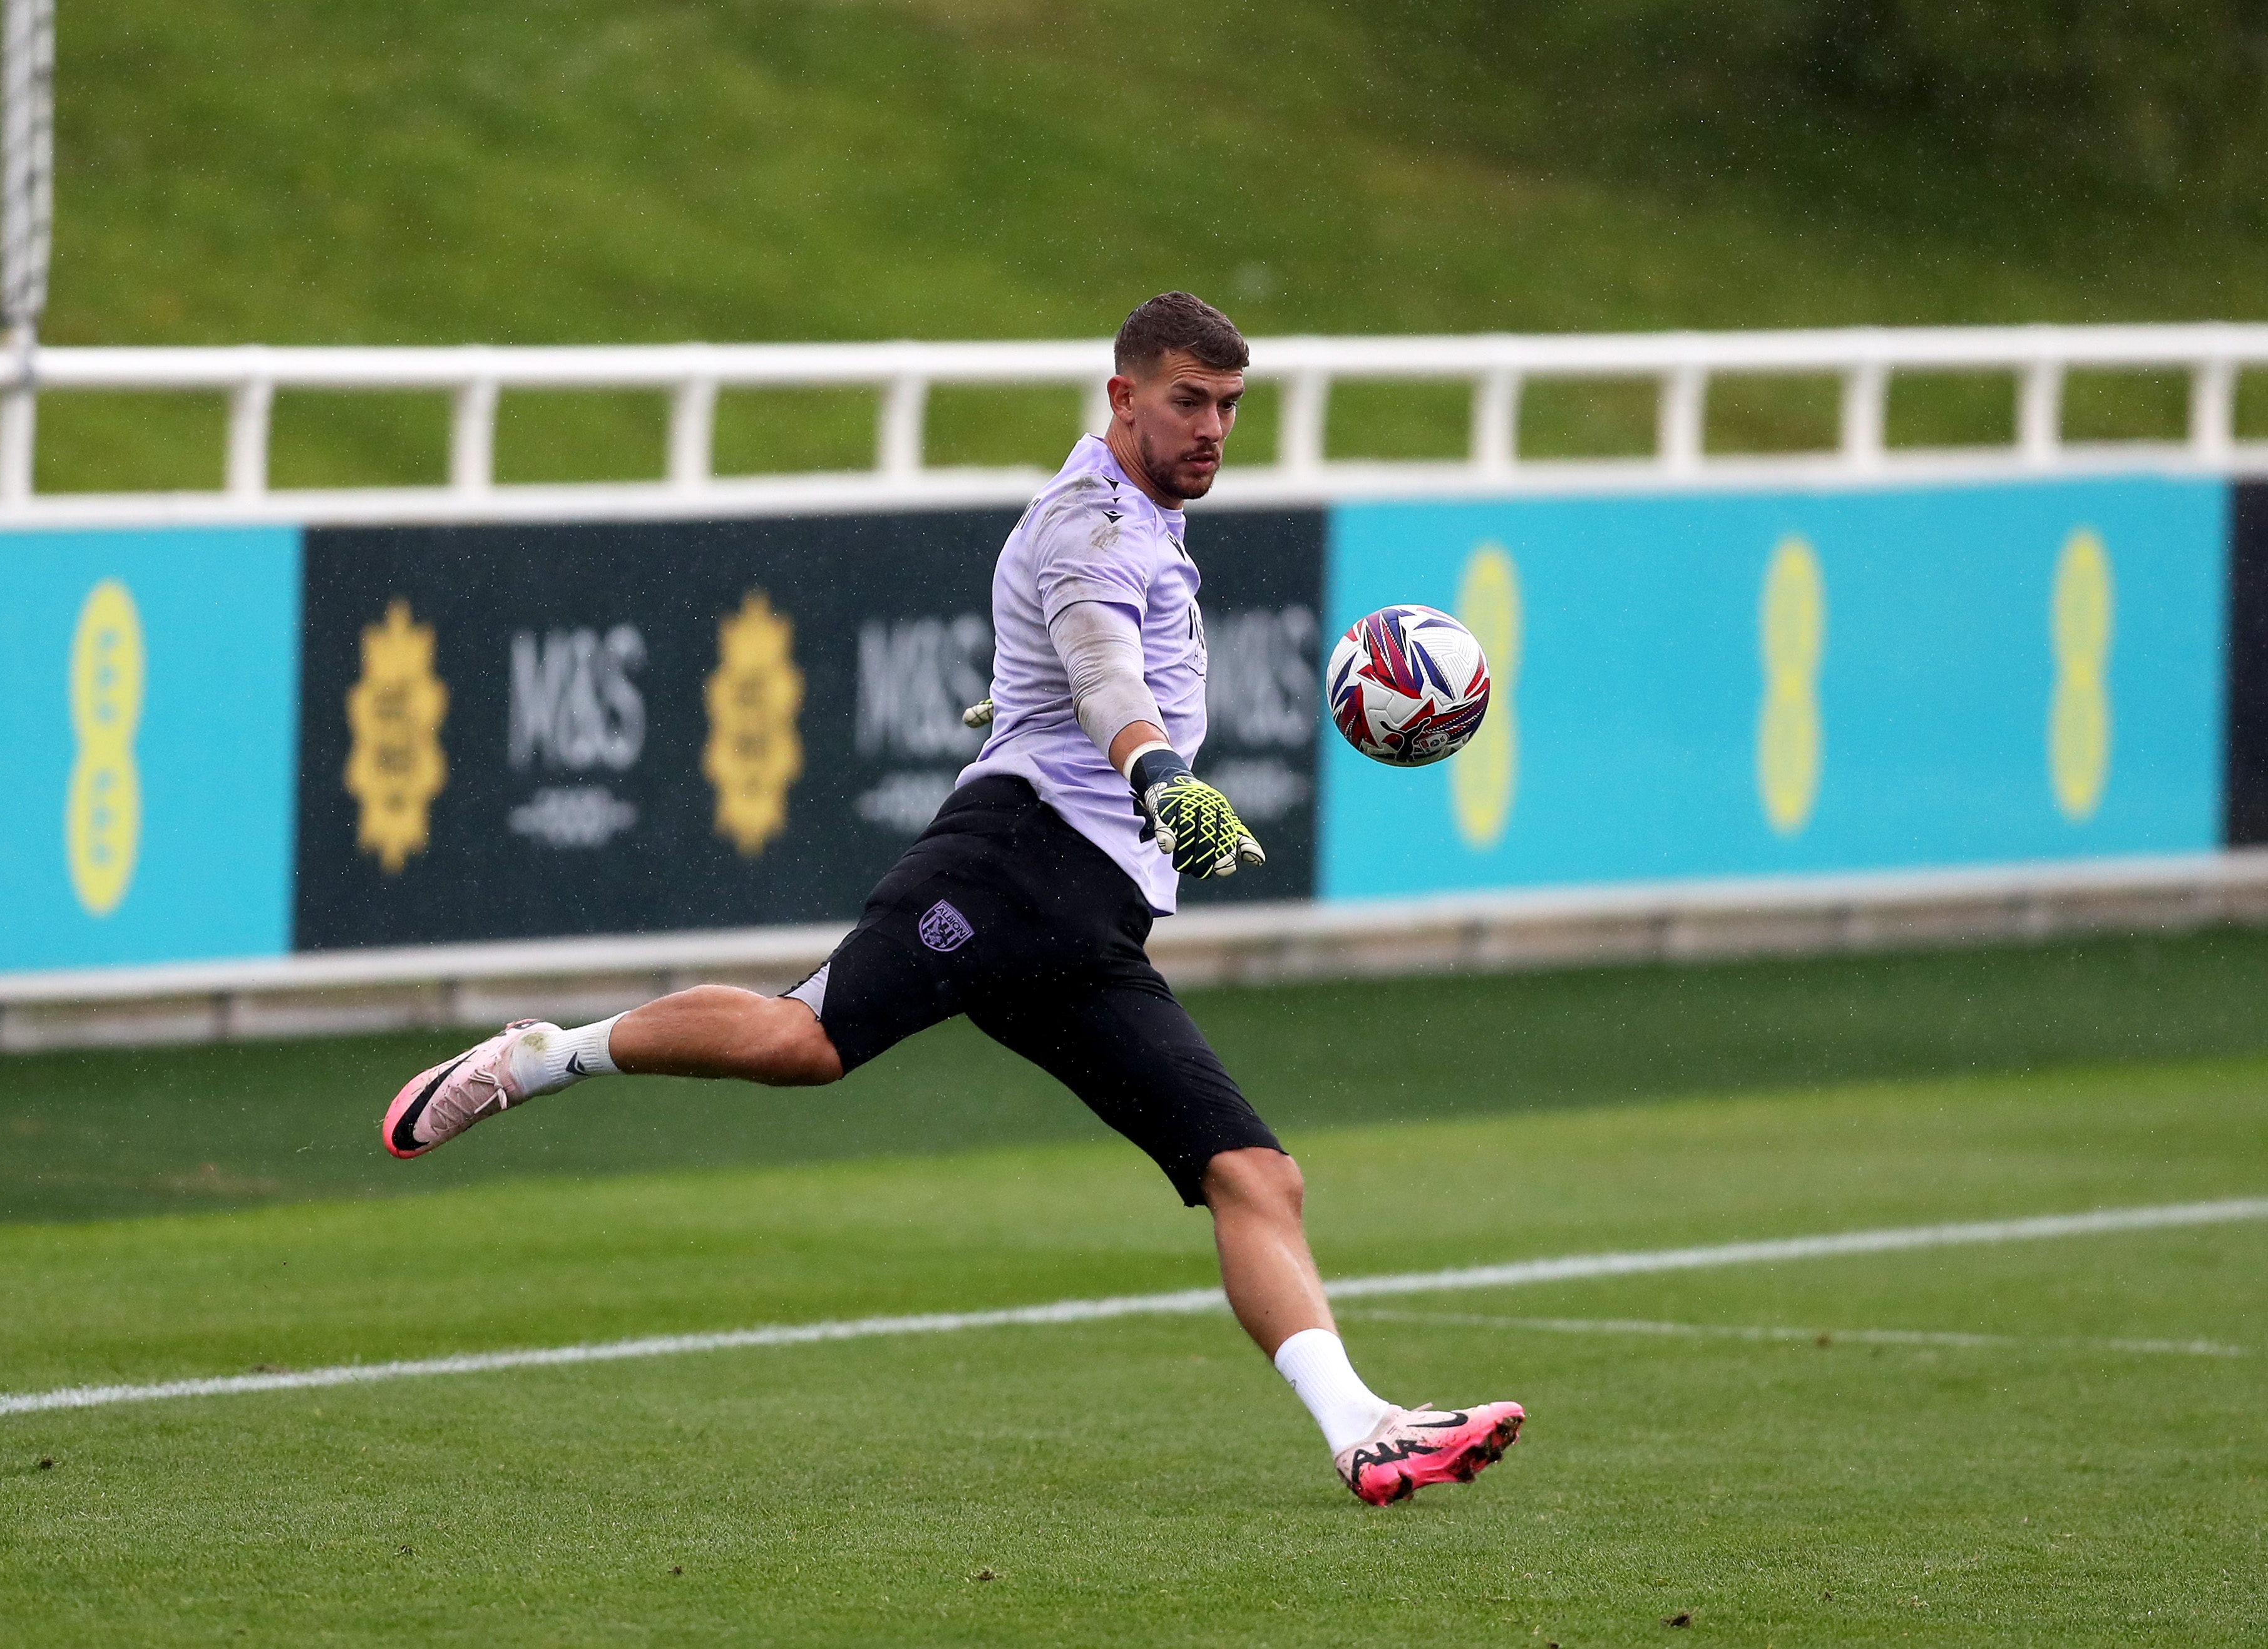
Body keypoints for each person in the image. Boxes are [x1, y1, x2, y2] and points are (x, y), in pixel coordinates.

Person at [380, 292, 1522, 1505]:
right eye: (1187, 402)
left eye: (1229, 407)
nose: (1212, 431)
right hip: (1008, 867)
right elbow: (1098, 670)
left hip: (1085, 928)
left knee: (1254, 1174)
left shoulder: (1142, 519)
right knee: (803, 1040)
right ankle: (543, 1056)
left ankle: (1360, 1431)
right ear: (1120, 397)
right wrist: (1156, 773)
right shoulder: (1088, 525)